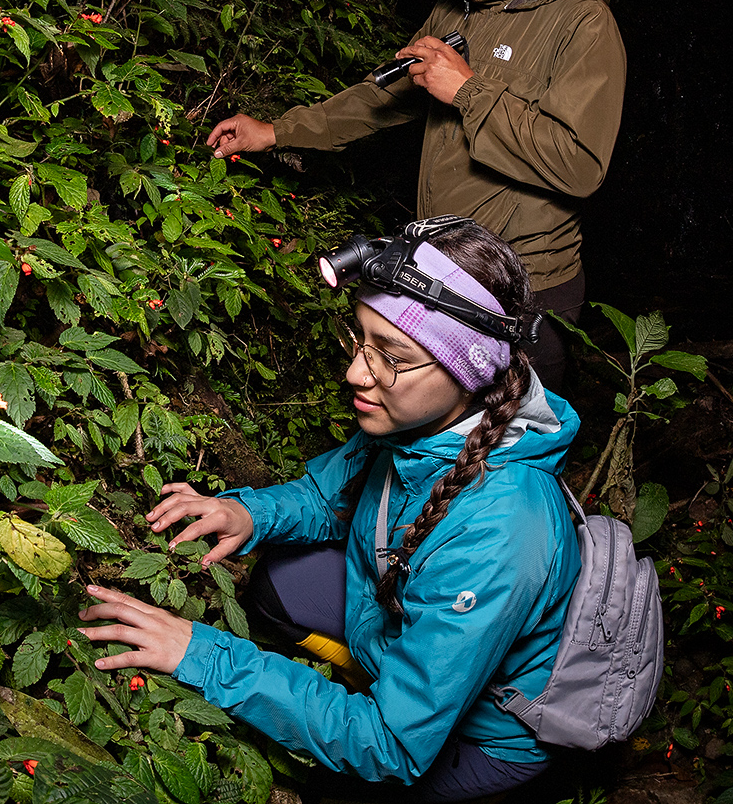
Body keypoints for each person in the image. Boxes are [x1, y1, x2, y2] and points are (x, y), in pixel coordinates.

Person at [78, 219, 582, 802]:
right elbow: (328, 496)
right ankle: (370, 678)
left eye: (391, 355)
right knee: (276, 584)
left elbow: (391, 743)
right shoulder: (422, 423)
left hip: (484, 737)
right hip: (393, 615)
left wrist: (203, 655)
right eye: (360, 340)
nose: (355, 373)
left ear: (467, 373)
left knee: (333, 786)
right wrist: (248, 514)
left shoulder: (504, 528)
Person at [204, 0, 627, 393]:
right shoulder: (461, 4)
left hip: (524, 288)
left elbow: (580, 165)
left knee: (511, 455)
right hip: (442, 273)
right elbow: (386, 95)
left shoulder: (581, 21)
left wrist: (469, 91)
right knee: (439, 444)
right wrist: (279, 131)